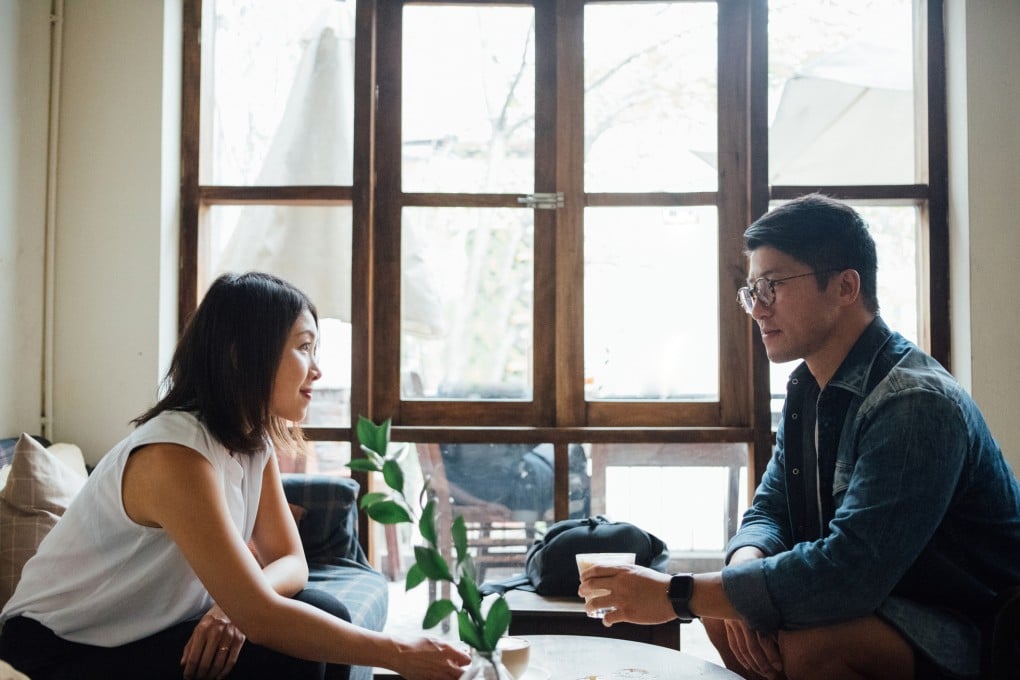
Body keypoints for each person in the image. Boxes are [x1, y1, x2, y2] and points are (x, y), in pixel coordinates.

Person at [577, 194, 1020, 679]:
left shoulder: (914, 402)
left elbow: (850, 572)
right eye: (751, 291)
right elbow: (771, 510)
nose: (758, 309)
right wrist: (742, 574)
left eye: (772, 286)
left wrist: (674, 594)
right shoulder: (808, 389)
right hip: (882, 604)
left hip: (969, 626)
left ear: (845, 287)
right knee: (726, 617)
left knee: (809, 645)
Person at [0, 272, 470, 680]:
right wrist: (400, 653)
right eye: (304, 348)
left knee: (326, 611)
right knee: (284, 657)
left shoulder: (251, 440)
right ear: (241, 355)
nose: (318, 370)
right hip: (57, 646)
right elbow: (264, 616)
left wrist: (233, 609)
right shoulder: (173, 455)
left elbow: (291, 560)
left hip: (141, 631)